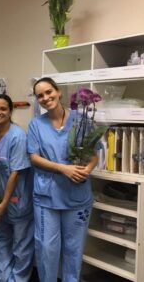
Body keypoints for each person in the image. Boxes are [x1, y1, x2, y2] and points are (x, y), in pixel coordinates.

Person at [27, 77, 98, 282]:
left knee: (73, 250)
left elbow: (93, 155)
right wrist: (62, 169)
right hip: (47, 197)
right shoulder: (36, 125)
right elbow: (34, 157)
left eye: (49, 92)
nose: (45, 98)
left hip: (77, 196)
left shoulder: (81, 119)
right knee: (46, 248)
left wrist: (86, 170)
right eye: (40, 95)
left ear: (58, 92)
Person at [0, 94, 34, 282]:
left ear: (10, 111)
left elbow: (15, 172)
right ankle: (2, 279)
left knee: (21, 247)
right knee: (1, 242)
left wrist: (4, 203)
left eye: (3, 108)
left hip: (18, 201)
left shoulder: (18, 136)